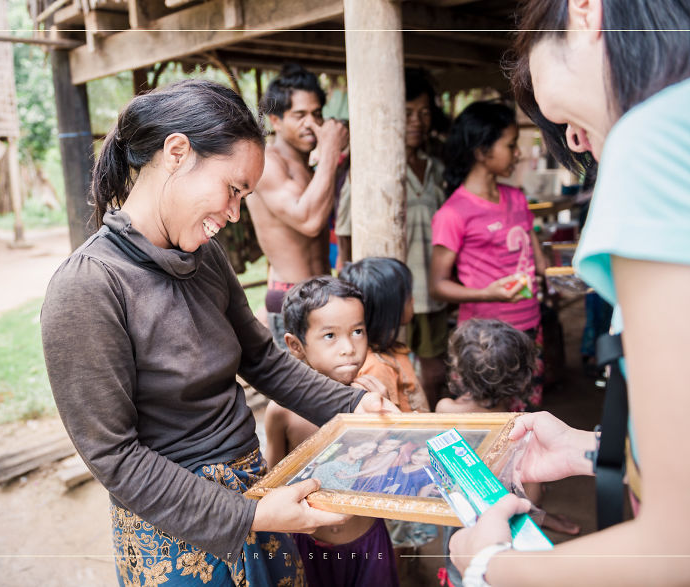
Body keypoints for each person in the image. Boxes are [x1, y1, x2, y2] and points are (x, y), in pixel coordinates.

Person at [40, 80, 397, 587]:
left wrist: (353, 406)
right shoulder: (87, 287)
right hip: (173, 527)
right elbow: (114, 456)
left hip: (258, 488)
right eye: (232, 190)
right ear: (178, 152)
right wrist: (249, 515)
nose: (233, 215)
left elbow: (262, 359)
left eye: (244, 197)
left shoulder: (205, 257)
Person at [447, 1, 690, 585]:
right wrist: (593, 448)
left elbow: (689, 548)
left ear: (585, 10)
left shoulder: (664, 134)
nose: (571, 137)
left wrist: (487, 564)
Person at [264, 275, 399, 587]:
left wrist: (386, 421)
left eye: (357, 331)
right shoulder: (282, 412)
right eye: (330, 336)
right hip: (307, 547)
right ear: (296, 346)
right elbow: (273, 481)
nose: (348, 348)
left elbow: (393, 472)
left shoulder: (373, 400)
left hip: (368, 541)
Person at [435, 319, 579, 587]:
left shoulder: (445, 409)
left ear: (457, 373)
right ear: (525, 377)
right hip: (505, 526)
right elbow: (533, 498)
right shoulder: (523, 428)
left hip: (459, 516)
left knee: (460, 562)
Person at [430, 101, 547, 409]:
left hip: (529, 328)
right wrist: (487, 293)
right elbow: (438, 285)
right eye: (510, 145)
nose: (517, 152)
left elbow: (538, 260)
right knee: (487, 424)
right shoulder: (453, 213)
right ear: (482, 152)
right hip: (485, 344)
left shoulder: (517, 198)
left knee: (524, 418)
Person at [247, 64, 349, 348]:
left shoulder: (309, 163)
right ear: (276, 121)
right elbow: (309, 221)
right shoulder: (268, 162)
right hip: (292, 297)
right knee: (298, 390)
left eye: (317, 114)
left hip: (321, 292)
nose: (312, 124)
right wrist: (330, 151)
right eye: (300, 115)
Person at [401, 68, 451, 408]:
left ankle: (436, 431)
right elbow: (345, 237)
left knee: (435, 374)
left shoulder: (437, 168)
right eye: (407, 113)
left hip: (431, 293)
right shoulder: (373, 168)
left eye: (423, 112)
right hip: (397, 294)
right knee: (399, 375)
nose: (417, 121)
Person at [340, 256, 429, 413]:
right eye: (408, 296)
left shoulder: (391, 350)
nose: (413, 300)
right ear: (390, 310)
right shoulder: (378, 367)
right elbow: (386, 421)